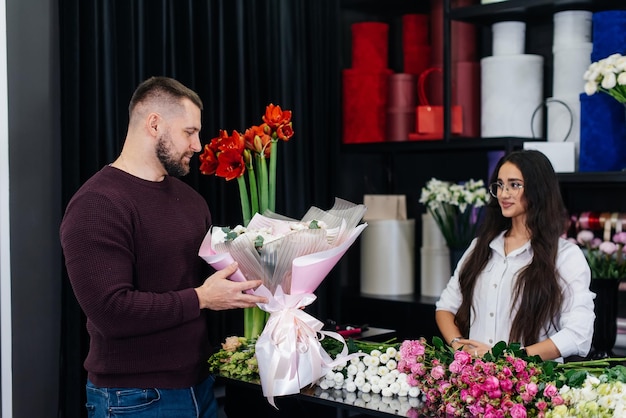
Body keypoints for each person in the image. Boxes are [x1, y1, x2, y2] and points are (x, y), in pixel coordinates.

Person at [60, 76, 268, 418]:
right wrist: (202, 298)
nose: (199, 145)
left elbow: (206, 280)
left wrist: (270, 270)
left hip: (201, 388)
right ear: (154, 124)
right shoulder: (97, 204)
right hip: (132, 398)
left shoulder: (191, 201)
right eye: (189, 132)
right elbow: (111, 312)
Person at [435, 149, 595, 361]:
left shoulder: (566, 256)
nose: (503, 193)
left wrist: (508, 358)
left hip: (532, 386)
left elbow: (578, 334)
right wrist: (459, 347)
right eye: (499, 185)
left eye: (514, 185)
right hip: (476, 383)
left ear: (538, 189)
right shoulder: (480, 248)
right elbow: (446, 307)